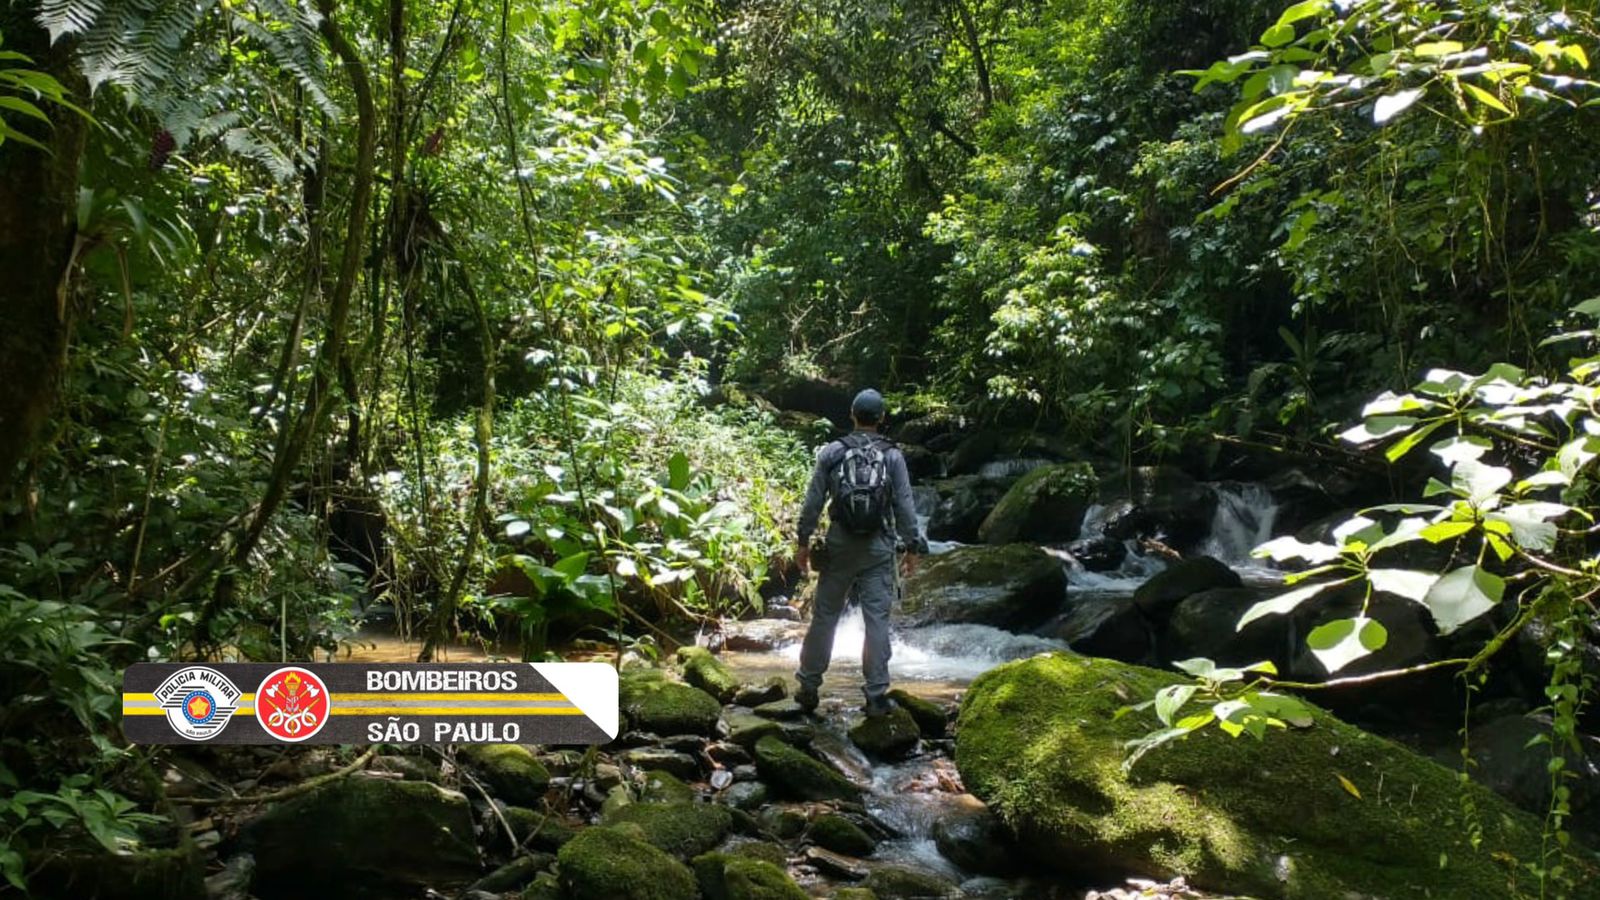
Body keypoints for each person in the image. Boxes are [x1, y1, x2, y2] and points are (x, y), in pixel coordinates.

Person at [794, 388, 929, 717]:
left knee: (825, 616)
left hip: (839, 543)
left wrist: (803, 540)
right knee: (876, 621)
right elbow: (904, 505)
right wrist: (912, 546)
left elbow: (813, 501)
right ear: (882, 419)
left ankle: (809, 686)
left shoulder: (833, 451)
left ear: (852, 415)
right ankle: (875, 695)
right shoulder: (893, 456)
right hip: (878, 546)